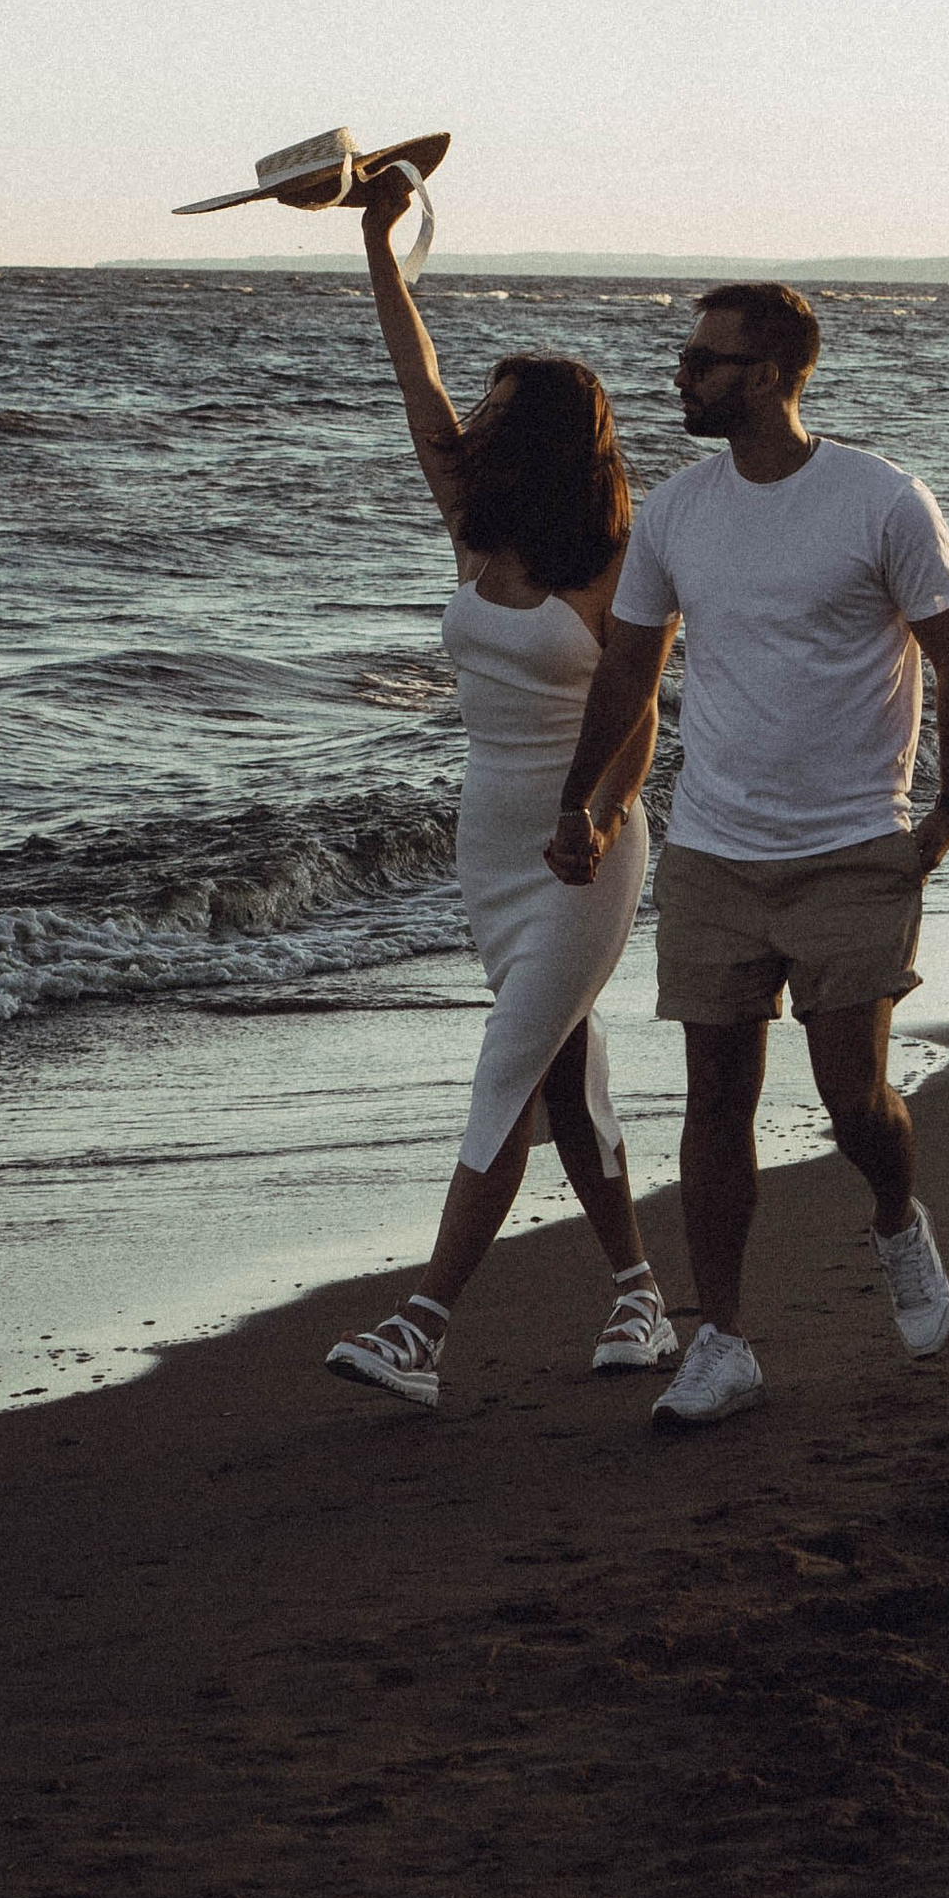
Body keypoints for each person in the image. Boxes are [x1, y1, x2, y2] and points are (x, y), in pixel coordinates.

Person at [544, 280, 949, 1428]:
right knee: (714, 1102)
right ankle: (724, 1340)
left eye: (705, 361)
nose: (681, 376)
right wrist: (583, 803)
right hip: (713, 851)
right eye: (686, 357)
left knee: (852, 1103)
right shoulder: (678, 513)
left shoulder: (880, 500)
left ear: (777, 373)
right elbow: (630, 672)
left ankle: (896, 1223)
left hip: (851, 847)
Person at [304, 173, 676, 1412]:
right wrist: (380, 246)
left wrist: (602, 814)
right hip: (489, 841)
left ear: (554, 435)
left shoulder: (619, 559)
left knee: (508, 1068)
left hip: (585, 850)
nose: (475, 416)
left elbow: (638, 712)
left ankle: (423, 1328)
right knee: (563, 1075)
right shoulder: (475, 529)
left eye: (501, 407)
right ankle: (637, 1293)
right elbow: (413, 380)